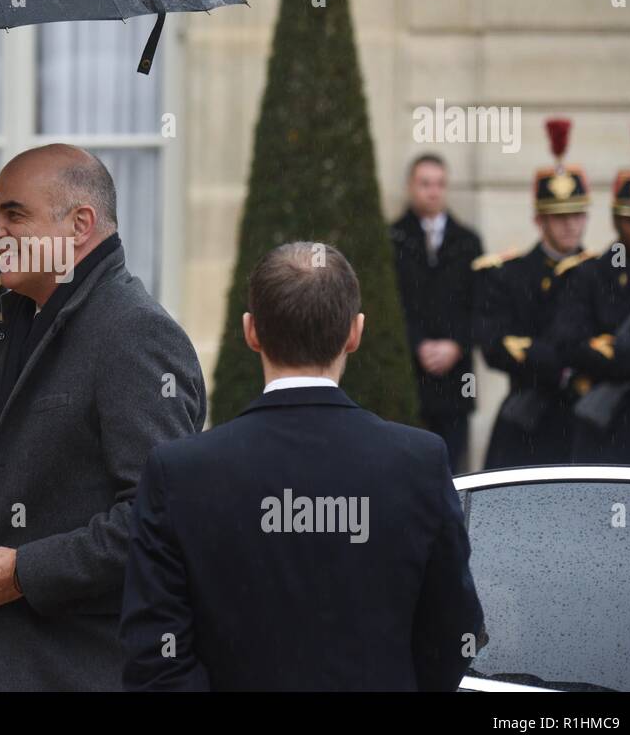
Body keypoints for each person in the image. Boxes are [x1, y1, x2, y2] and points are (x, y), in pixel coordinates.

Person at [119, 242, 483, 691]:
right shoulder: (418, 461)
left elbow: (155, 657)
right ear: (356, 332)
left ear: (250, 332)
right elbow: (453, 633)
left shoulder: (180, 472)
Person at [0, 144, 206, 691]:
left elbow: (158, 521)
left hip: (91, 670)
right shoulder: (18, 320)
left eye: (15, 214)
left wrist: (19, 572)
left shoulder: (133, 332)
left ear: (80, 224)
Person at [474, 119, 595, 469]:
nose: (571, 225)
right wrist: (558, 359)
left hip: (582, 419)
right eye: (559, 217)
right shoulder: (510, 274)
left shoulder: (599, 274)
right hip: (527, 416)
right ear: (539, 220)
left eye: (577, 215)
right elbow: (493, 345)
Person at [548, 122, 630, 465]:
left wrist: (620, 353)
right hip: (606, 428)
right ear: (617, 220)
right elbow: (568, 343)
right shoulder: (590, 275)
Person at [390, 153, 483, 471]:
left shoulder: (468, 242)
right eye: (425, 183)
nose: (433, 191)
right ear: (410, 187)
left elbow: (480, 306)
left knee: (452, 472)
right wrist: (418, 344)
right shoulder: (392, 239)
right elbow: (391, 306)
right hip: (410, 378)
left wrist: (456, 344)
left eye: (439, 184)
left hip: (455, 382)